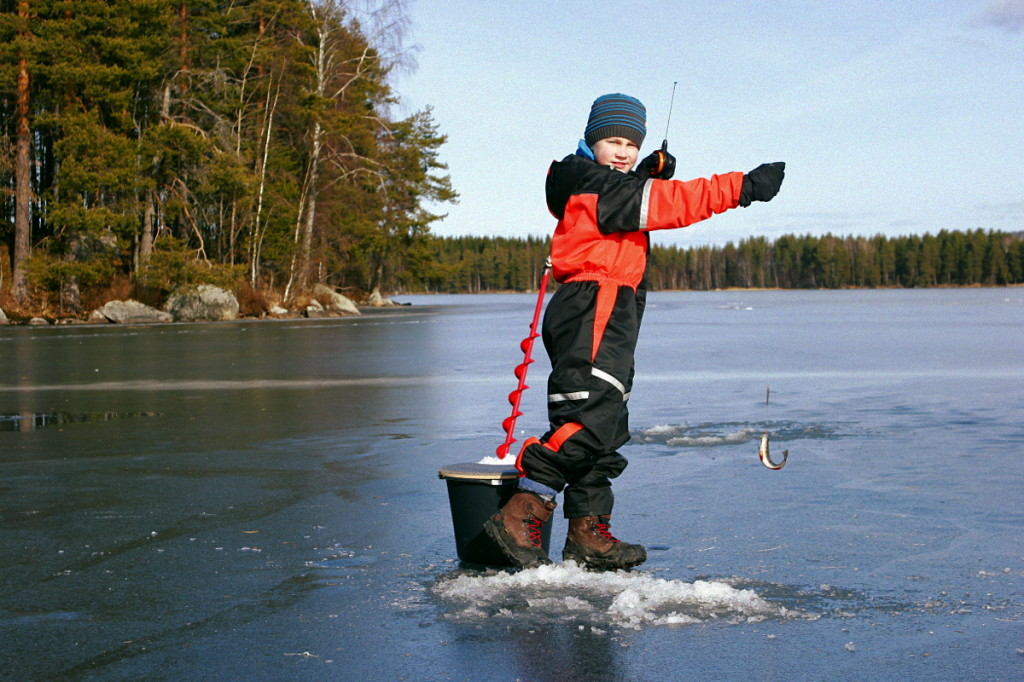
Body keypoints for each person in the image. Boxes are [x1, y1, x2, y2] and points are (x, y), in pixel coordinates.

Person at [484, 93, 785, 570]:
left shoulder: (603, 183)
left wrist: (643, 175)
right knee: (588, 419)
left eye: (631, 144)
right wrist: (742, 187)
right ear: (592, 143)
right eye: (614, 142)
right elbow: (666, 204)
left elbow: (628, 204)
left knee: (607, 421)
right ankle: (524, 507)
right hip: (593, 304)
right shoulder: (593, 182)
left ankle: (587, 530)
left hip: (612, 305)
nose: (623, 152)